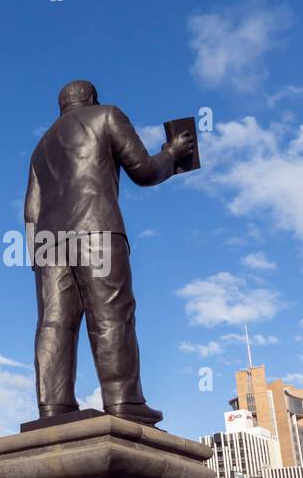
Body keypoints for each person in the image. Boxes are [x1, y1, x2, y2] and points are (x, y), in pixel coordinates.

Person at [25, 80, 197, 426]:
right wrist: (173, 154)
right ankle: (123, 401)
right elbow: (144, 171)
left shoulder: (41, 146)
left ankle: (54, 407)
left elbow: (31, 208)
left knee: (53, 323)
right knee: (111, 316)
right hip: (96, 230)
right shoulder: (107, 116)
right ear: (92, 99)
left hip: (47, 244)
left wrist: (36, 257)